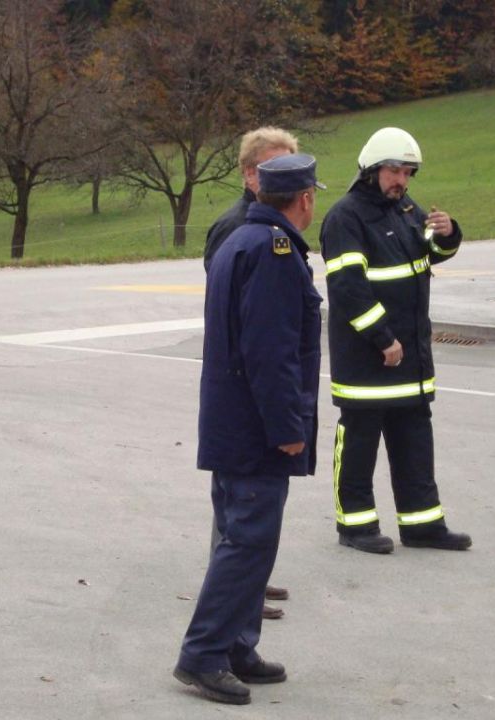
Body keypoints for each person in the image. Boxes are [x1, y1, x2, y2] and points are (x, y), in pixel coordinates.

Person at [174, 154, 323, 705]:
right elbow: (270, 351)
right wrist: (287, 426)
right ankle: (203, 655)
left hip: (233, 417)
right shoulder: (273, 251)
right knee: (248, 543)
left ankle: (237, 646)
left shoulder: (243, 239)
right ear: (303, 198)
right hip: (255, 426)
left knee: (246, 540)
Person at [319, 127, 471, 554]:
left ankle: (423, 525)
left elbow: (428, 255)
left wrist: (446, 234)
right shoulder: (345, 217)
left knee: (415, 444)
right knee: (360, 444)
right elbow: (348, 288)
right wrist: (382, 338)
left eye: (407, 172)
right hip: (369, 357)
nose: (401, 180)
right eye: (393, 170)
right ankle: (356, 526)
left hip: (410, 357)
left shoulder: (404, 208)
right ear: (370, 170)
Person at [203, 126, 299, 619]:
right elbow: (246, 325)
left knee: (248, 510)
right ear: (248, 174)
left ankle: (249, 583)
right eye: (271, 168)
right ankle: (239, 589)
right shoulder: (240, 229)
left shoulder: (270, 229)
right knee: (238, 509)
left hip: (246, 392)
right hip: (242, 396)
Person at [203, 126, 299, 271]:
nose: (284, 177)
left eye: (288, 169)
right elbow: (224, 288)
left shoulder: (284, 221)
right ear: (250, 174)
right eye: (274, 169)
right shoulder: (232, 226)